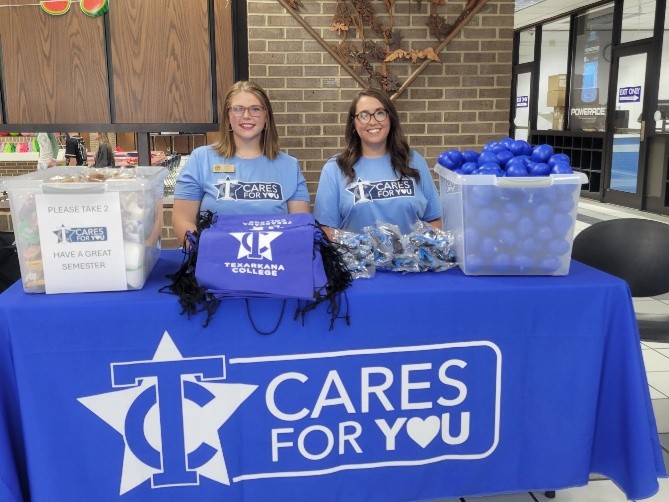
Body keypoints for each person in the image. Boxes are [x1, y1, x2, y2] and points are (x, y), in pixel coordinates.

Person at [172, 80, 310, 244]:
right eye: (238, 109)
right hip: (215, 261)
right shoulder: (201, 159)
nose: (246, 115)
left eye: (255, 109)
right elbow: (182, 220)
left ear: (266, 117)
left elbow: (301, 228)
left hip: (273, 262)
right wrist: (208, 253)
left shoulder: (289, 166)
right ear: (228, 116)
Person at [314, 88, 442, 238]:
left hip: (411, 260)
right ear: (354, 123)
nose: (373, 121)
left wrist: (415, 252)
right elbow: (326, 229)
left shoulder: (413, 160)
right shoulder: (335, 168)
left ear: (390, 118)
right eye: (364, 115)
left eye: (380, 113)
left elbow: (434, 220)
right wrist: (359, 252)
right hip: (356, 260)